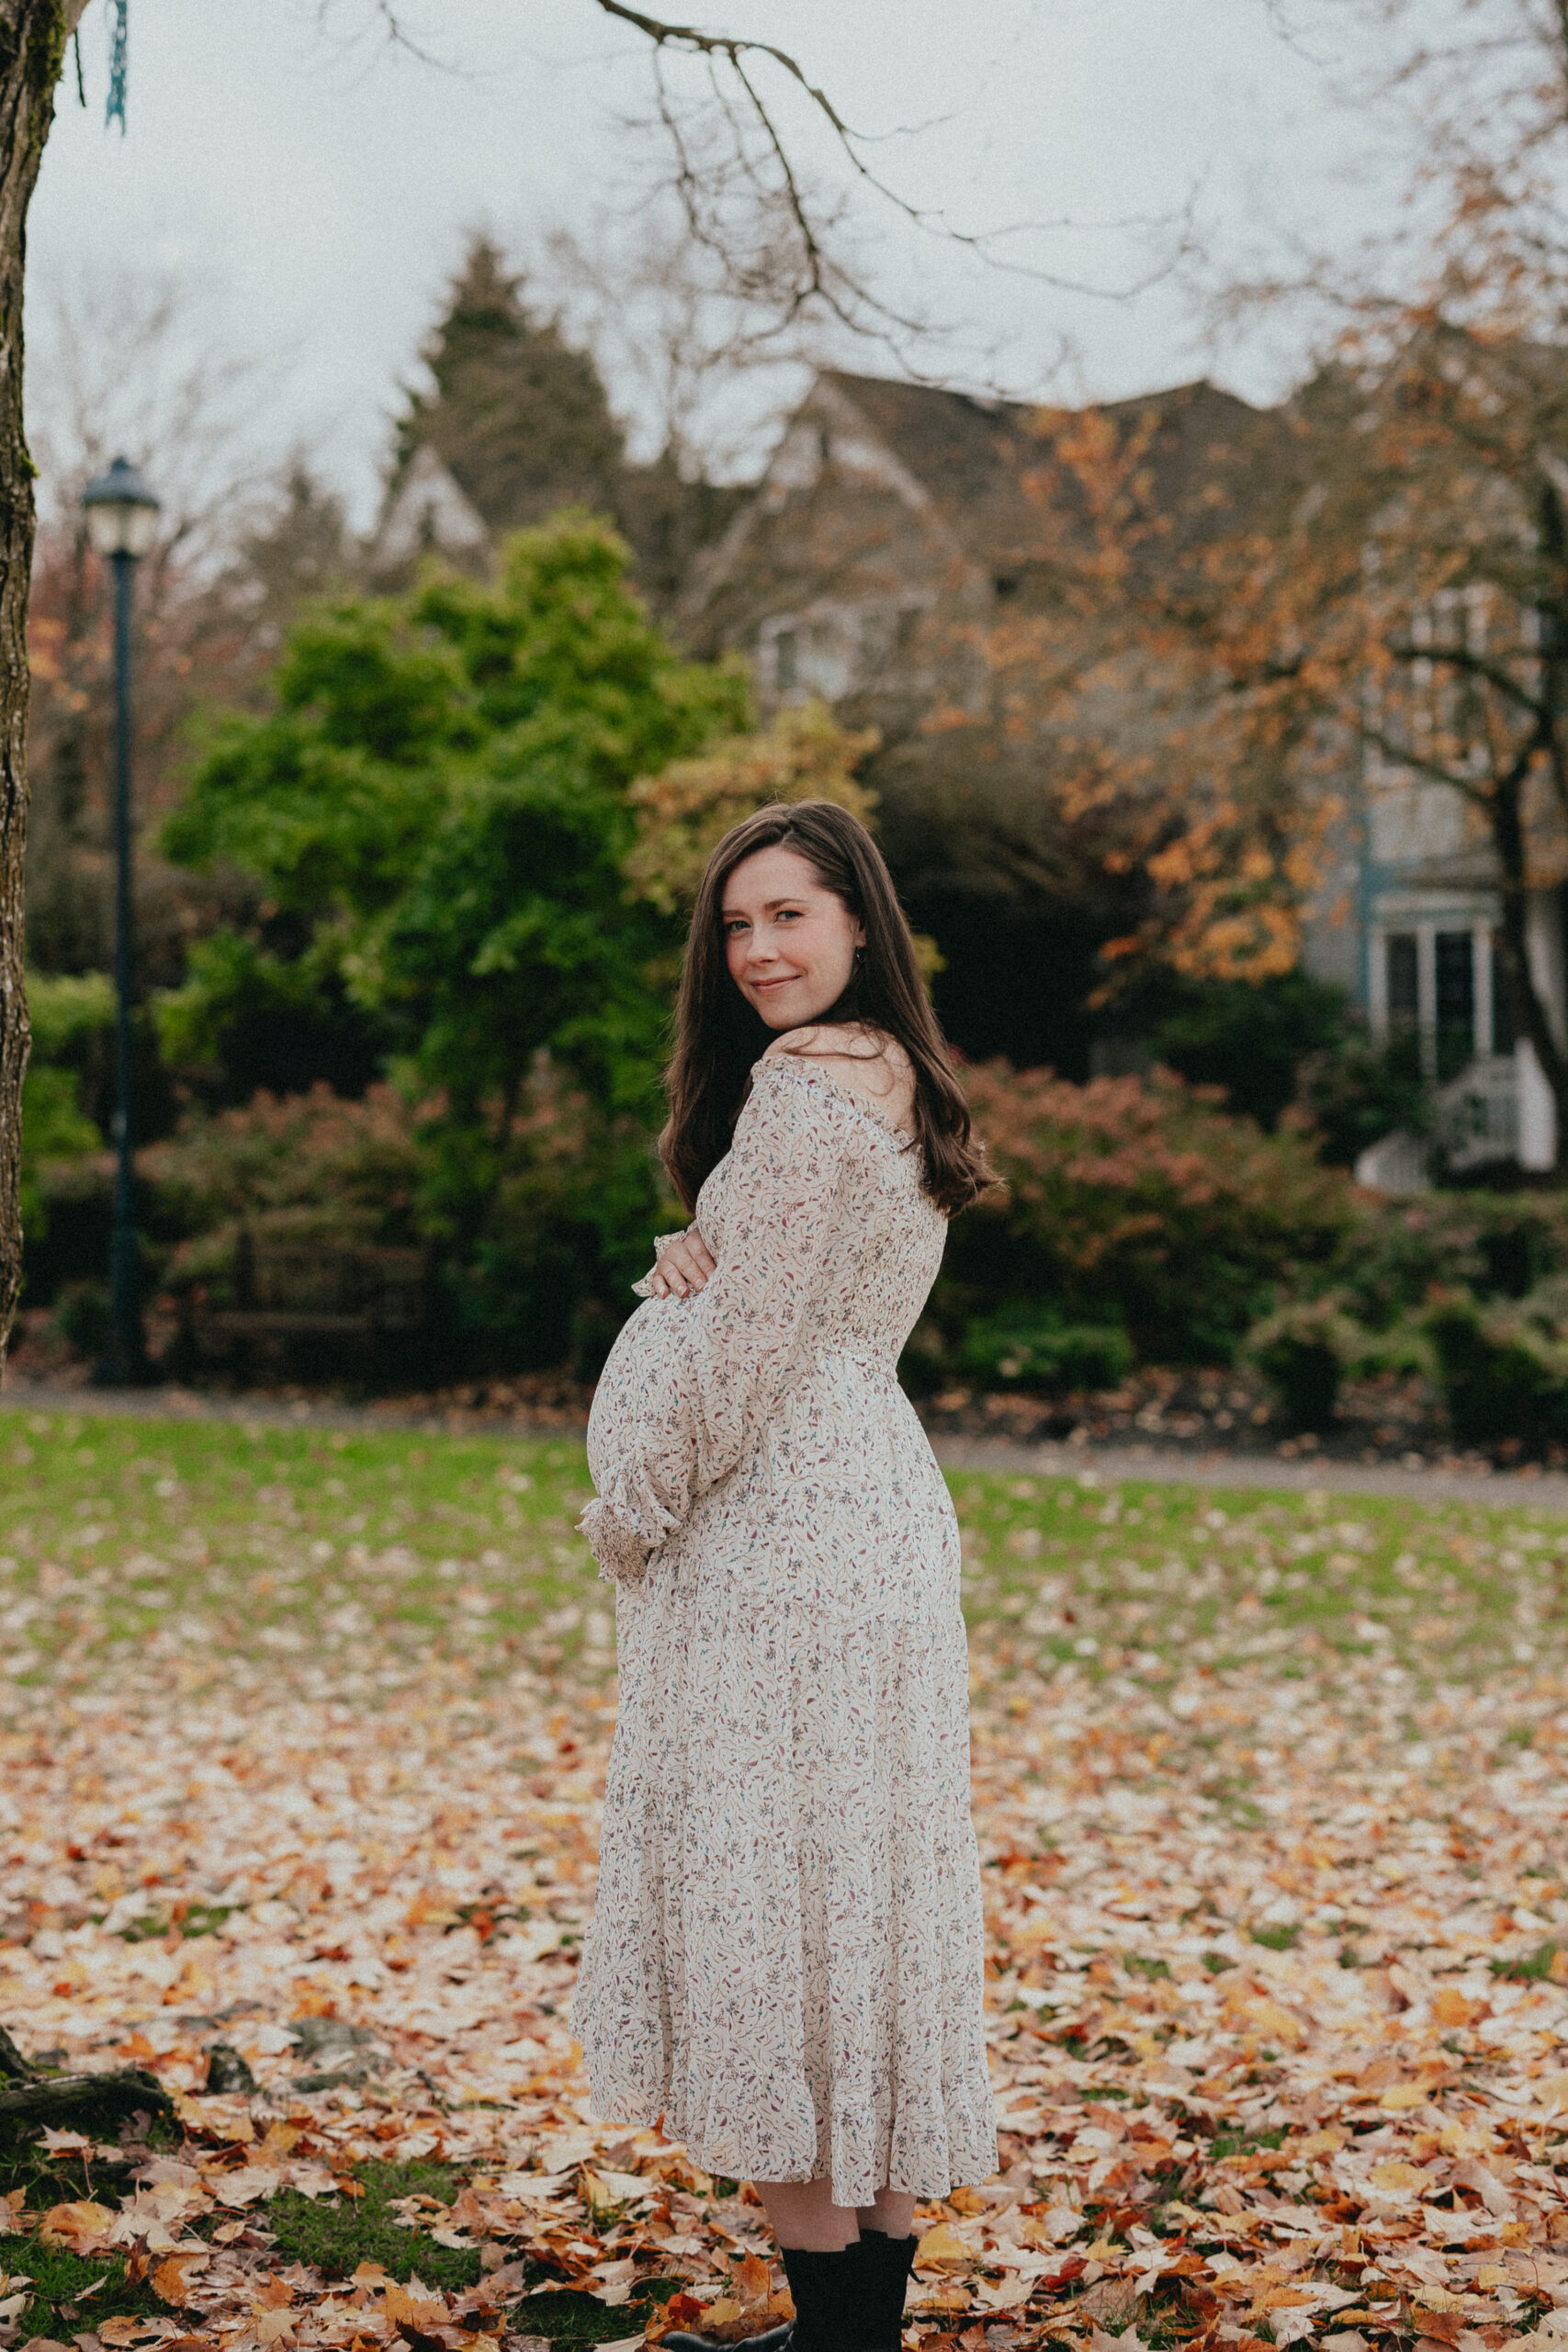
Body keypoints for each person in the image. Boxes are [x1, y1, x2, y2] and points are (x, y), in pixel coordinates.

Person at [574, 800, 998, 2352]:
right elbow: (776, 1296)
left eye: (789, 918)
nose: (757, 952)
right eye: (736, 927)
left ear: (861, 925)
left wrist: (633, 1504)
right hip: (866, 1506)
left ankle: (835, 2339)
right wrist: (698, 1252)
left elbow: (739, 1364)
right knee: (848, 1910)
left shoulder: (806, 1096)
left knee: (778, 1912)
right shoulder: (890, 1079)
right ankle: (856, 2330)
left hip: (784, 1534)